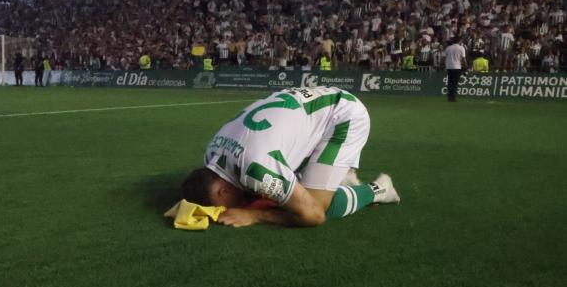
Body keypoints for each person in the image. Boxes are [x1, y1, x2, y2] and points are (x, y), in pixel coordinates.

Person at [181, 87, 400, 228]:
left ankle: (379, 190)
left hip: (341, 115)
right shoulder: (211, 152)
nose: (226, 210)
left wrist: (254, 216)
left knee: (316, 205)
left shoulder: (256, 170)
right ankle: (335, 178)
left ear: (222, 190)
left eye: (221, 205)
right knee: (280, 193)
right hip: (307, 108)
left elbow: (313, 215)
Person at [444, 38, 466, 102]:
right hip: (457, 67)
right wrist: (466, 66)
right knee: (455, 83)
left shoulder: (448, 48)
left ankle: (449, 97)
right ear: (459, 41)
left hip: (449, 67)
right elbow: (464, 58)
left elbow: (445, 57)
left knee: (450, 82)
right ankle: (453, 97)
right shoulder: (461, 48)